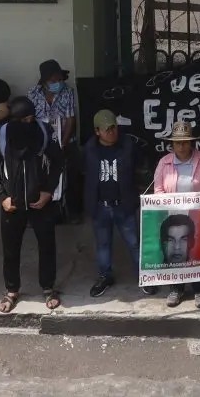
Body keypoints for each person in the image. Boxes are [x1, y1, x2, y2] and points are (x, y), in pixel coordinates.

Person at [0, 95, 63, 313]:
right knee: (11, 249)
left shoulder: (43, 132)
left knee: (47, 246)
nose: (29, 123)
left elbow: (58, 161)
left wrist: (48, 191)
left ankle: (48, 287)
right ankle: (12, 290)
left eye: (32, 118)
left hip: (41, 202)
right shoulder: (2, 136)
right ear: (14, 120)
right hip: (13, 204)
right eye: (24, 119)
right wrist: (2, 196)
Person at [151, 118, 200, 307]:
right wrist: (171, 203)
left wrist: (199, 204)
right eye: (178, 142)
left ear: (191, 142)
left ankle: (199, 290)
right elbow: (158, 190)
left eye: (185, 141)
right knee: (176, 252)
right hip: (173, 216)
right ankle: (176, 289)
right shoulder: (164, 163)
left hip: (198, 216)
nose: (181, 146)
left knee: (197, 252)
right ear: (172, 143)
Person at [84, 109, 144, 299]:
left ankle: (144, 277)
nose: (112, 132)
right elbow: (83, 175)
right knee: (103, 245)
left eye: (114, 128)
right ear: (97, 131)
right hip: (100, 206)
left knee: (134, 243)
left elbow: (141, 168)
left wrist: (137, 195)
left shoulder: (128, 146)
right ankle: (105, 276)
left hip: (123, 205)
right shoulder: (89, 150)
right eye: (107, 129)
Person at [29, 59, 81, 224]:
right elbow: (30, 119)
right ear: (44, 81)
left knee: (71, 176)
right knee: (39, 176)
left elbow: (70, 119)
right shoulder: (32, 94)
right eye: (53, 81)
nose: (58, 83)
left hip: (64, 139)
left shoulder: (67, 92)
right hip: (41, 142)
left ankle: (72, 213)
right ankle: (37, 211)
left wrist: (63, 143)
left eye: (60, 80)